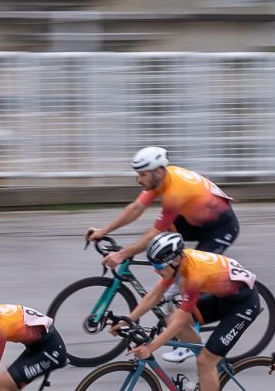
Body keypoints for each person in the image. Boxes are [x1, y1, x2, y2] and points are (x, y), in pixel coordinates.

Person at [86, 147, 240, 363]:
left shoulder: (174, 191)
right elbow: (136, 208)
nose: (138, 180)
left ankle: (189, 335)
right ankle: (173, 288)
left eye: (142, 174)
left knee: (186, 274)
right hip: (195, 221)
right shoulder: (160, 179)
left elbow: (155, 233)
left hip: (219, 229)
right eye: (137, 174)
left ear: (158, 172)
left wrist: (122, 254)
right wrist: (104, 230)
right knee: (170, 263)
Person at [109, 232, 260, 391]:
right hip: (223, 296)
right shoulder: (178, 262)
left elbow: (180, 322)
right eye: (154, 265)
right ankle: (210, 374)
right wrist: (127, 320)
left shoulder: (193, 274)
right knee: (171, 318)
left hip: (243, 305)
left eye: (159, 266)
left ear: (176, 259)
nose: (156, 270)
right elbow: (154, 295)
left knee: (204, 360)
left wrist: (151, 347)